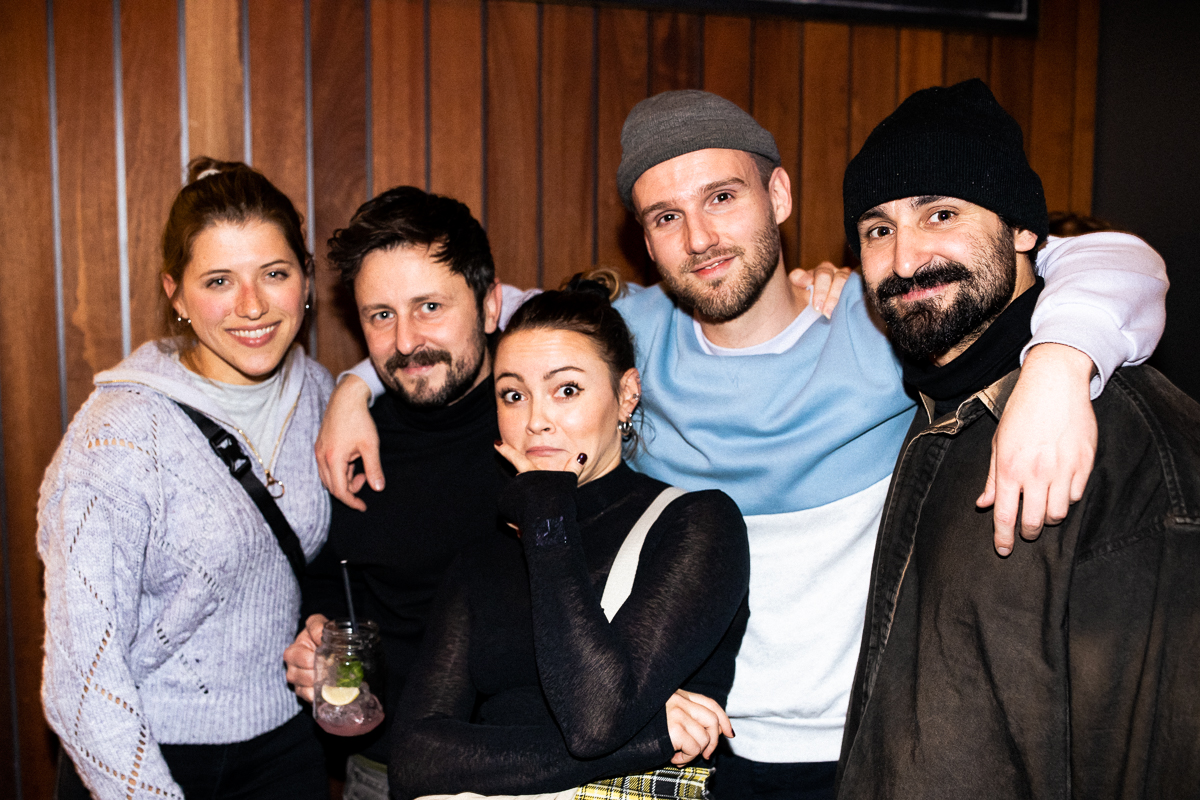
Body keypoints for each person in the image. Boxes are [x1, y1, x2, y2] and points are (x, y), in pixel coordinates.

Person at [318, 90, 1167, 799]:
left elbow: (1110, 256)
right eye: (665, 216)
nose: (700, 238)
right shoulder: (628, 338)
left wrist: (1060, 362)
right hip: (694, 752)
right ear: (643, 241)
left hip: (869, 744)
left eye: (723, 197)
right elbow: (451, 313)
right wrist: (353, 387)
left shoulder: (882, 323)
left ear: (781, 197)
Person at [837, 78, 1200, 800]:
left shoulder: (1123, 441)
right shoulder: (936, 406)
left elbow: (1156, 756)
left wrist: (1065, 362)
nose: (905, 261)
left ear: (1025, 229)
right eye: (878, 229)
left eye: (940, 213)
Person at [39, 158, 333, 800]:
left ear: (307, 279)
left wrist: (361, 391)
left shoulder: (319, 393)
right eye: (219, 280)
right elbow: (79, 677)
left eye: (275, 273)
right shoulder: (117, 435)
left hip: (288, 748)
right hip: (147, 755)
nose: (251, 306)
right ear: (175, 293)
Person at [389, 279, 750, 799]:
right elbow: (414, 761)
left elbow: (595, 720)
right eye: (514, 395)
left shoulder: (696, 523)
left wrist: (546, 520)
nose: (536, 421)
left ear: (626, 394)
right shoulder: (483, 555)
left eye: (567, 390)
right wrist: (649, 739)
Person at [284, 187, 508, 799]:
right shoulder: (348, 446)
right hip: (381, 774)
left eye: (430, 306)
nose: (405, 341)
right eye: (380, 315)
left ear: (491, 307)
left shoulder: (543, 423)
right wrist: (315, 638)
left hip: (531, 773)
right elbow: (331, 578)